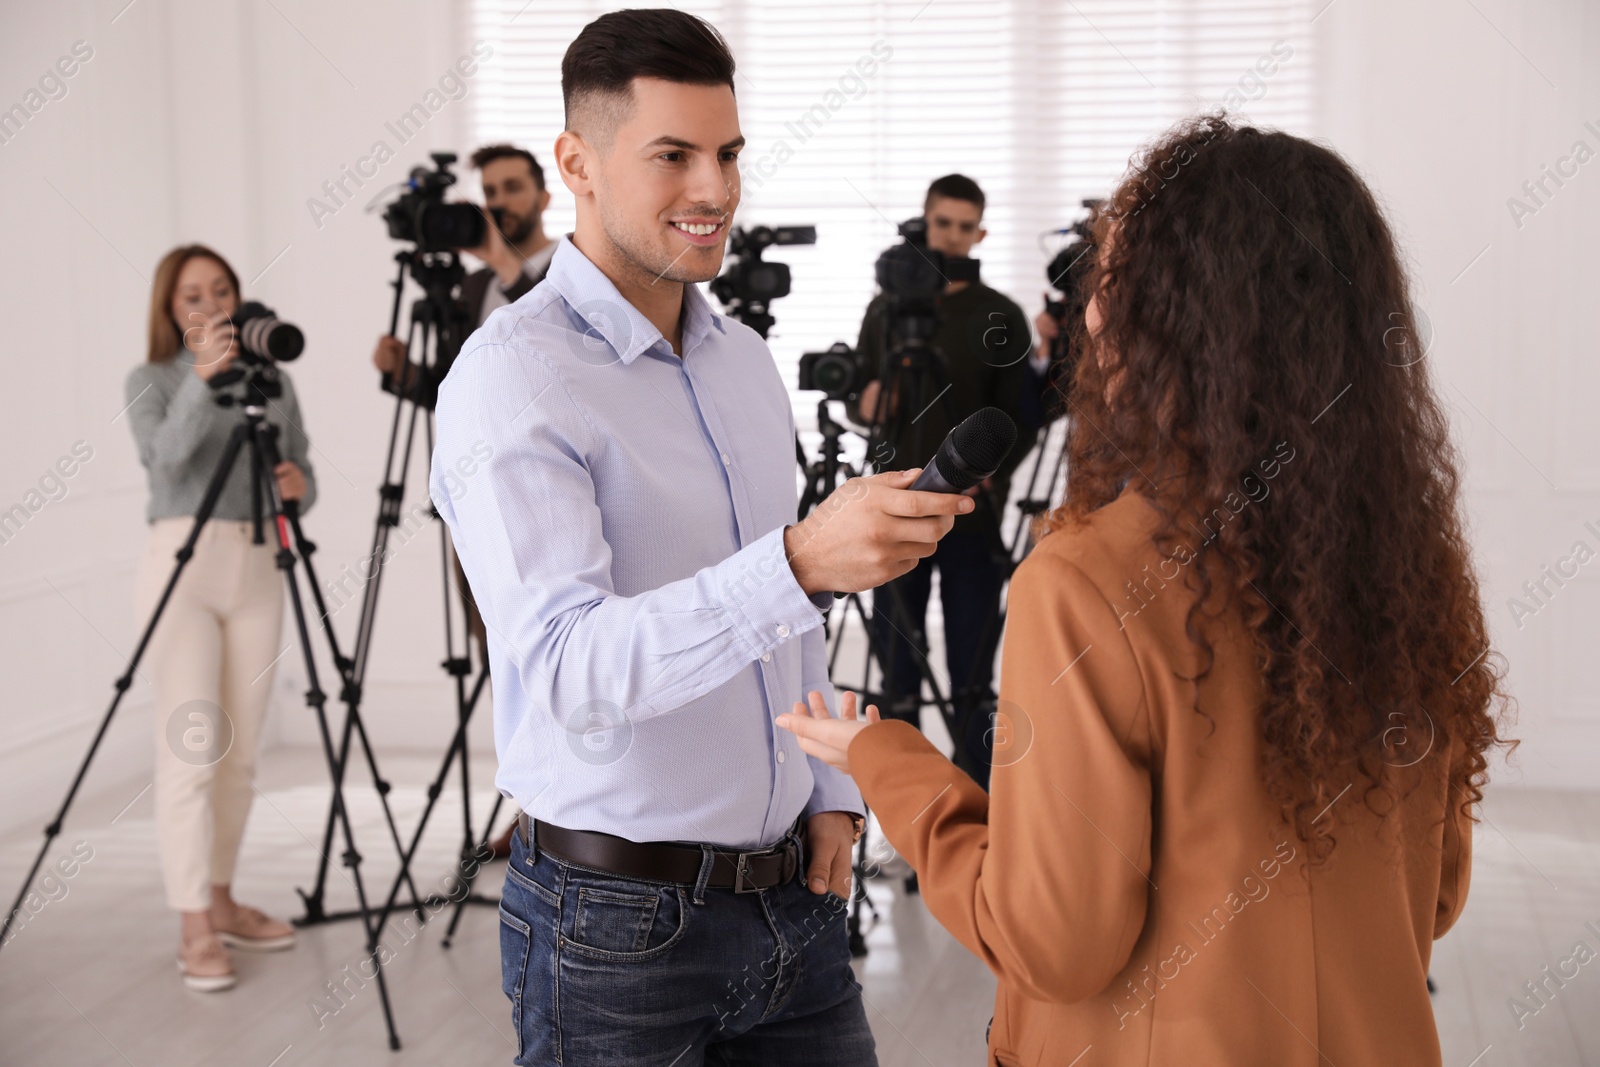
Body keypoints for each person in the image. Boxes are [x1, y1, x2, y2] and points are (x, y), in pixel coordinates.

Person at [779, 114, 1513, 1066]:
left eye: (1114, 284)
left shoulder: (1088, 580)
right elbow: (1438, 894)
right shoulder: (1410, 566)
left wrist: (888, 758)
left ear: (1178, 322)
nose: (1089, 313)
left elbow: (1056, 940)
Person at [431, 9, 970, 1064]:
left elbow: (788, 628)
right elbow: (568, 669)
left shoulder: (743, 361)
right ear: (576, 164)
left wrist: (826, 788)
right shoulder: (513, 377)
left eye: (726, 153)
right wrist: (803, 558)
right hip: (613, 928)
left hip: (795, 903)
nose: (714, 190)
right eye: (671, 155)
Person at [125, 245, 318, 991]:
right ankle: (192, 923)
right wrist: (205, 379)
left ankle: (222, 896)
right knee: (192, 748)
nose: (209, 308)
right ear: (170, 313)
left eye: (221, 292)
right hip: (184, 563)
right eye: (190, 298)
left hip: (256, 564)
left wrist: (301, 485)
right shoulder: (151, 380)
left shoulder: (275, 379)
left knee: (239, 755)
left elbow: (296, 471)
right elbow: (164, 463)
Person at [370, 143, 557, 858]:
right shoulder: (473, 293)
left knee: (555, 650)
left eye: (513, 188)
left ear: (543, 195)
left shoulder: (577, 272)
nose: (501, 202)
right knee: (503, 655)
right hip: (480, 504)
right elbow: (462, 398)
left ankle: (563, 810)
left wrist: (504, 266)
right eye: (491, 192)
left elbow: (557, 350)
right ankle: (532, 806)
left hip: (550, 495)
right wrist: (404, 376)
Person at [845, 175, 1032, 790]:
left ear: (979, 232)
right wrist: (866, 399)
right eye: (941, 224)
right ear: (924, 224)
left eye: (963, 226)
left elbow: (1019, 418)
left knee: (971, 671)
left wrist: (986, 474)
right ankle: (902, 813)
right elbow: (863, 402)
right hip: (893, 509)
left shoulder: (1000, 314)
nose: (950, 236)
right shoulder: (886, 310)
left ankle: (983, 810)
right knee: (896, 669)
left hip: (972, 514)